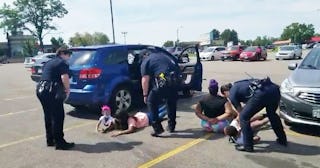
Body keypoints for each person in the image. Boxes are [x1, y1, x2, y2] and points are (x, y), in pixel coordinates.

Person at [224, 78, 287, 152]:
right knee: (272, 114)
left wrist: (239, 123)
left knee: (243, 118)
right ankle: (282, 139)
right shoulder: (238, 84)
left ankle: (248, 146)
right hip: (273, 89)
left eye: (225, 95)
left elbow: (241, 112)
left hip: (261, 93)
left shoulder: (232, 94)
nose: (227, 98)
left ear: (225, 92)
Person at [36, 46, 75, 150]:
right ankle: (60, 142)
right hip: (51, 90)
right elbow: (64, 77)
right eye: (68, 54)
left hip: (40, 89)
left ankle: (50, 140)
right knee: (58, 116)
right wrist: (67, 90)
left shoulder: (49, 62)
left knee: (48, 115)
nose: (69, 57)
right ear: (62, 53)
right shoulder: (61, 63)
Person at [140, 48, 181, 136]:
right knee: (171, 102)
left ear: (144, 56)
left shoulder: (146, 61)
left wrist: (145, 95)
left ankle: (157, 128)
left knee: (151, 101)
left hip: (163, 80)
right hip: (175, 80)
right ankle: (171, 126)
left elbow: (145, 80)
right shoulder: (163, 56)